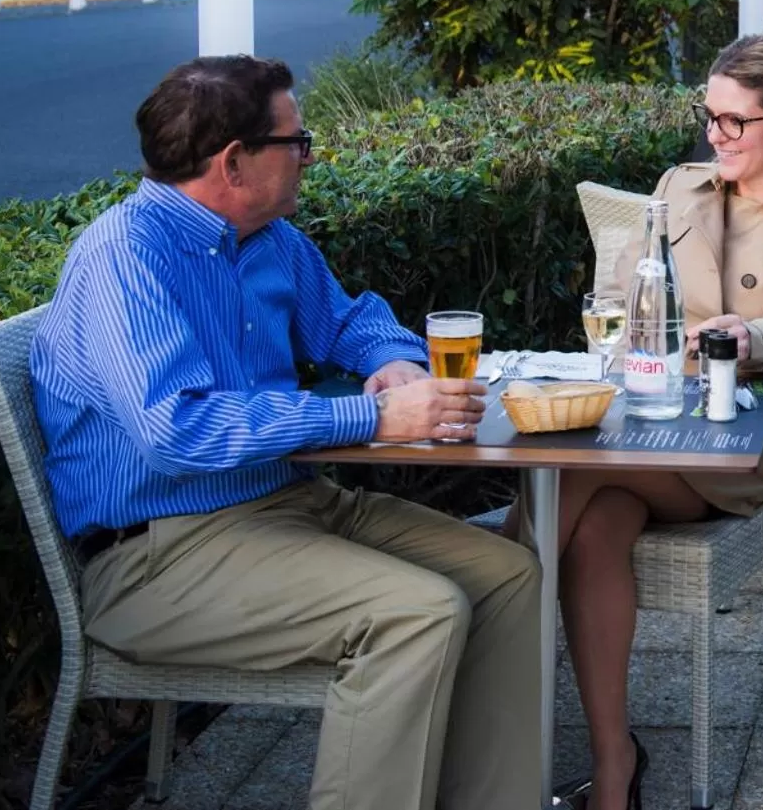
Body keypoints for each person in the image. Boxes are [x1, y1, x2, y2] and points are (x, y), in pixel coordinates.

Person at [30, 56, 542, 810]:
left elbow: (349, 319)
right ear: (235, 163)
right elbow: (178, 430)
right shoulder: (125, 258)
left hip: (285, 505)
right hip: (159, 555)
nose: (308, 154)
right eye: (296, 141)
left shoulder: (267, 238)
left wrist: (392, 364)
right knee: (415, 612)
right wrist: (371, 416)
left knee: (508, 575)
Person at [546, 31, 763, 810]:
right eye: (711, 118)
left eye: (735, 122)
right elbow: (627, 302)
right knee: (595, 526)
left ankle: (485, 614)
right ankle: (615, 764)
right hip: (641, 418)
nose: (715, 135)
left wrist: (745, 335)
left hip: (728, 444)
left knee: (559, 477)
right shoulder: (680, 186)